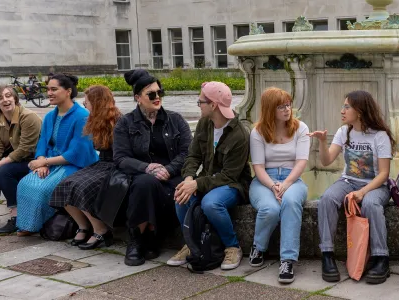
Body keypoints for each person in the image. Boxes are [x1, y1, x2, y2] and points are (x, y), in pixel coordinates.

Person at [309, 91, 394, 284]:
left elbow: (383, 174)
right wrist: (322, 142)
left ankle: (381, 258)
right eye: (343, 106)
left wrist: (363, 192)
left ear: (361, 110)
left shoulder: (380, 136)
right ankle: (327, 255)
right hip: (348, 182)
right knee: (327, 200)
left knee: (370, 205)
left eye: (347, 107)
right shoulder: (344, 131)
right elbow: (326, 160)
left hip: (375, 185)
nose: (342, 111)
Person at [166, 81, 251, 271]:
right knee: (180, 195)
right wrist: (188, 178)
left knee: (211, 203)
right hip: (208, 179)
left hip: (233, 185)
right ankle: (191, 243)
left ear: (213, 105)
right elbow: (193, 155)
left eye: (201, 101)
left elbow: (229, 176)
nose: (198, 104)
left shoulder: (240, 135)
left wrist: (197, 184)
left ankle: (232, 246)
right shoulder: (205, 123)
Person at [114, 69, 193, 266]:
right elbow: (121, 157)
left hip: (172, 175)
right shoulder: (125, 123)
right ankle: (138, 239)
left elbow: (188, 152)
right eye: (151, 94)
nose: (157, 97)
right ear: (138, 98)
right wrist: (146, 167)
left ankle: (150, 237)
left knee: (163, 188)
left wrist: (169, 169)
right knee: (144, 184)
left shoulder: (175, 120)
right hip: (141, 176)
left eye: (160, 92)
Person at [15, 74, 98, 235]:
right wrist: (41, 160)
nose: (49, 93)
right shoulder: (49, 116)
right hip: (51, 162)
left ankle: (44, 224)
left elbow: (77, 152)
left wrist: (45, 162)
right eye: (48, 90)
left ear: (68, 91)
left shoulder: (82, 116)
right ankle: (27, 224)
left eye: (54, 89)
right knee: (25, 183)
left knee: (43, 188)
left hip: (75, 164)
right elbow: (42, 142)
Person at [247, 87, 310, 283]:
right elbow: (258, 167)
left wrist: (286, 183)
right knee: (270, 208)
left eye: (288, 105)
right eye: (281, 106)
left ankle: (288, 260)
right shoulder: (257, 132)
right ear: (269, 109)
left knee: (290, 203)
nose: (286, 110)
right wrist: (273, 185)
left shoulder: (301, 128)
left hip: (293, 179)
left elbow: (301, 162)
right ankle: (259, 246)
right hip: (264, 180)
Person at [50, 85, 122, 249]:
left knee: (82, 186)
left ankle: (101, 230)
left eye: (87, 102)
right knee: (63, 185)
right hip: (101, 163)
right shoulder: (94, 119)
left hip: (115, 165)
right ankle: (83, 226)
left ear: (97, 103)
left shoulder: (118, 121)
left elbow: (119, 153)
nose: (84, 105)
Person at [0, 85, 42, 233]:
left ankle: (17, 217)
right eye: (0, 98)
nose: (5, 100)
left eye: (8, 95)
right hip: (15, 159)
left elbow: (25, 149)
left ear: (15, 98)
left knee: (4, 171)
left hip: (35, 160)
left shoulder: (28, 117)